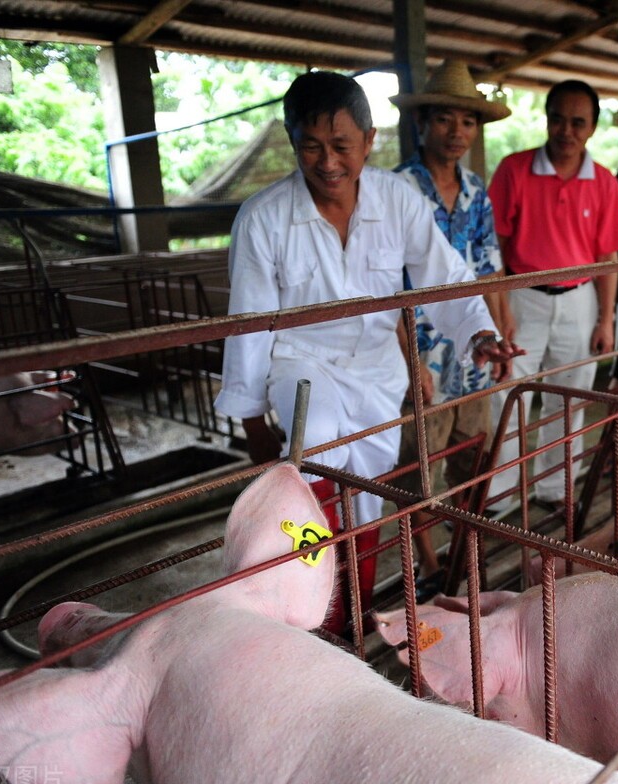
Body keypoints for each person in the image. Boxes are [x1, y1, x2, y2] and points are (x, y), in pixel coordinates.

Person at [214, 70, 518, 632]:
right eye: (311, 146)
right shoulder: (263, 217)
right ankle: (319, 609)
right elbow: (250, 322)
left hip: (378, 369)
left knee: (371, 490)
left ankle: (353, 603)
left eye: (340, 146)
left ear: (369, 140)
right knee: (316, 462)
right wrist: (251, 415)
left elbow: (444, 274)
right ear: (292, 142)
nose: (327, 162)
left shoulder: (395, 199)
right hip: (302, 361)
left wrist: (478, 331)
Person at [387, 60, 511, 589]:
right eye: (444, 119)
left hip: (473, 351)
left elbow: (491, 269)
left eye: (468, 121)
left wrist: (502, 335)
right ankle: (430, 565)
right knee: (420, 463)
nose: (457, 131)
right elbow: (387, 286)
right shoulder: (395, 190)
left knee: (470, 454)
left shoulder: (476, 190)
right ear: (421, 125)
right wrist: (410, 360)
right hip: (421, 353)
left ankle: (463, 546)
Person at [486, 80, 618, 509]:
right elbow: (493, 245)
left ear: (591, 128)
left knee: (570, 393)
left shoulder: (603, 182)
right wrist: (499, 309)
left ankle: (554, 488)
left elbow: (608, 256)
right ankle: (503, 495)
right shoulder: (514, 170)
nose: (566, 130)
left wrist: (606, 319)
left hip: (579, 299)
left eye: (578, 122)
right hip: (522, 294)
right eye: (558, 119)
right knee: (506, 392)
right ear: (546, 119)